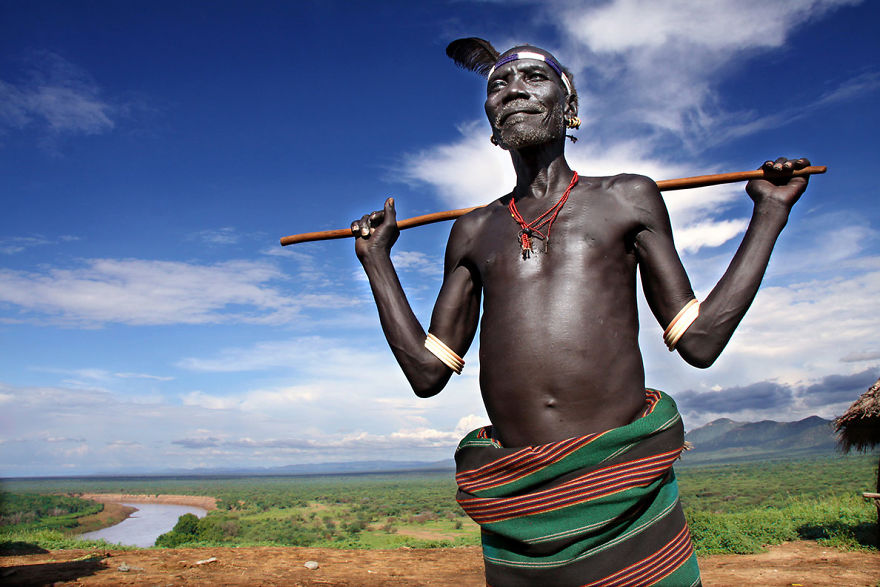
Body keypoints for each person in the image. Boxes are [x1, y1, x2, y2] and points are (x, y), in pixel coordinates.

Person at [351, 38, 810, 586]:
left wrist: (769, 215)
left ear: (569, 106)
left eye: (532, 78)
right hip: (520, 506)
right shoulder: (472, 231)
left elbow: (701, 341)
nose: (513, 89)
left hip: (622, 492)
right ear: (490, 119)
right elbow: (427, 372)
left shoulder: (627, 197)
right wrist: (376, 261)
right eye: (498, 84)